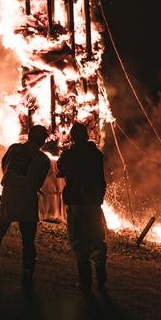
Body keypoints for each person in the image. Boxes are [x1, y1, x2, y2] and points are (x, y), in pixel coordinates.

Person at [0, 125, 51, 285]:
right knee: (28, 239)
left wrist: (13, 183)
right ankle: (27, 272)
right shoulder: (43, 160)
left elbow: (4, 167)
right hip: (27, 200)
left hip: (10, 196)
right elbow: (39, 182)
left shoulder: (14, 149)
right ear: (42, 141)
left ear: (29, 136)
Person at [56, 122, 107, 293]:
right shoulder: (96, 154)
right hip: (93, 204)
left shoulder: (70, 154)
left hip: (77, 203)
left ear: (72, 137)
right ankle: (101, 281)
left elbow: (60, 170)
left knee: (78, 242)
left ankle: (86, 283)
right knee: (96, 241)